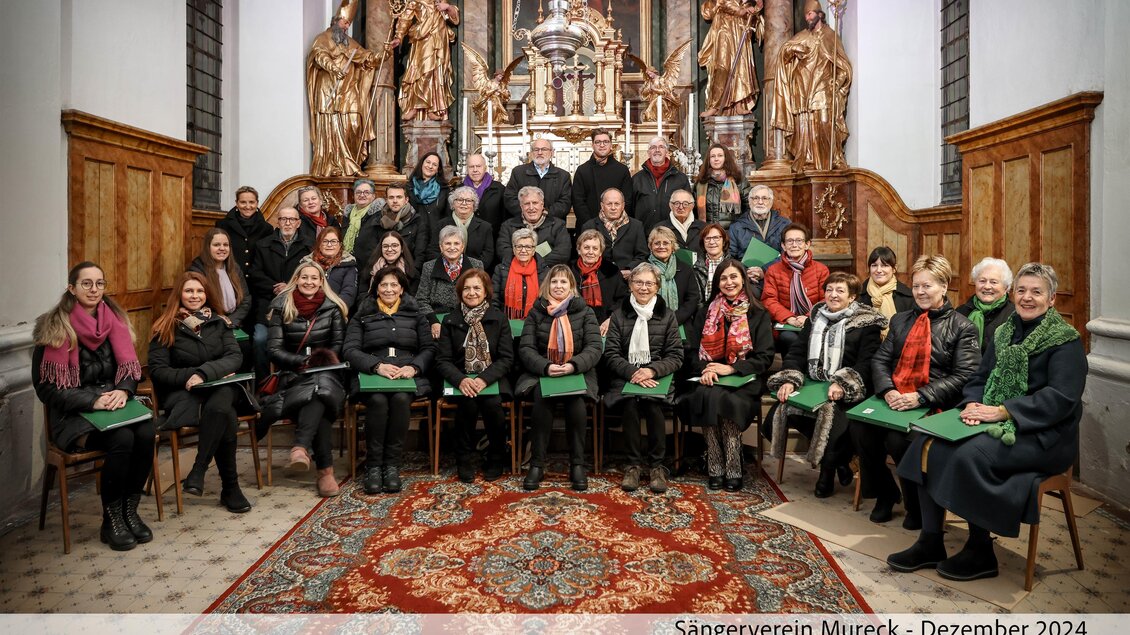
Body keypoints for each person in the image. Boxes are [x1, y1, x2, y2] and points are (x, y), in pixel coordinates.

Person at [887, 263, 1084, 582]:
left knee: (968, 455)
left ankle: (981, 551)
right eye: (1021, 290)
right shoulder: (1006, 332)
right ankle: (930, 541)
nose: (1027, 297)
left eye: (1036, 292)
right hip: (995, 420)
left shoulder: (1065, 342)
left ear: (1052, 300)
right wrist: (972, 405)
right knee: (929, 444)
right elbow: (979, 377)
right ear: (1013, 293)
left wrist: (1003, 411)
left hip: (1044, 436)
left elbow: (1061, 399)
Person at [32, 261, 150, 551]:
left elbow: (131, 370)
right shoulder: (54, 327)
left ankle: (129, 511)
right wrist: (92, 400)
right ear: (71, 288)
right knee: (122, 438)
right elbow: (46, 388)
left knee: (147, 432)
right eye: (86, 283)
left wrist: (124, 391)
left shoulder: (115, 321)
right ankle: (112, 520)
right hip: (74, 417)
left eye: (99, 283)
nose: (94, 289)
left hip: (113, 405)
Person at [863, 255, 980, 527]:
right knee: (860, 429)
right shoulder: (901, 320)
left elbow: (965, 375)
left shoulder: (962, 326)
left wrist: (920, 396)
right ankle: (885, 493)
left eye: (927, 286)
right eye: (916, 286)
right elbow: (880, 360)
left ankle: (916, 506)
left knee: (896, 439)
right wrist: (888, 390)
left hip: (935, 403)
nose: (920, 292)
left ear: (943, 286)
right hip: (896, 397)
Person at [764, 272, 886, 498]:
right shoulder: (815, 317)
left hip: (846, 391)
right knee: (773, 420)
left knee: (833, 428)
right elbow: (798, 352)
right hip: (812, 384)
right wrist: (791, 379)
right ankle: (842, 461)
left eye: (840, 291)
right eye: (829, 290)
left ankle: (827, 472)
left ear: (852, 297)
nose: (833, 295)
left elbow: (868, 362)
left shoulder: (866, 324)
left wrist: (843, 383)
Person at [147, 272, 250, 514]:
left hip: (222, 387)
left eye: (199, 291)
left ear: (207, 295)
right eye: (189, 291)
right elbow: (159, 371)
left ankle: (199, 469)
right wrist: (193, 376)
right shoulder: (165, 326)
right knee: (224, 413)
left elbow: (235, 357)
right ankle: (230, 488)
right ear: (179, 295)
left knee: (222, 399)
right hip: (185, 394)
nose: (195, 296)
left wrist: (206, 374)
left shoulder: (219, 322)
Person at [680, 259, 774, 491]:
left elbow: (764, 357)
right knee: (705, 396)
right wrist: (705, 369)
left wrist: (731, 369)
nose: (729, 282)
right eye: (723, 278)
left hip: (744, 378)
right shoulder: (705, 312)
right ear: (717, 283)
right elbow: (691, 352)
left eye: (733, 277)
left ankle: (733, 465)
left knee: (728, 400)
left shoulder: (758, 313)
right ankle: (715, 464)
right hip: (708, 376)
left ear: (743, 279)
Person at [344, 266, 435, 494]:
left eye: (394, 284)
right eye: (384, 284)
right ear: (376, 289)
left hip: (406, 374)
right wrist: (377, 366)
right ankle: (374, 466)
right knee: (377, 401)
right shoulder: (362, 314)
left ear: (402, 289)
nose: (389, 289)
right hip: (373, 373)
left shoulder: (415, 314)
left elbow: (429, 348)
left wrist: (414, 368)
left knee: (401, 399)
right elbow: (350, 349)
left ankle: (392, 466)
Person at [264, 263, 348, 498]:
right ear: (296, 279)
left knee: (319, 390)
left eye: (314, 278)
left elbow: (338, 345)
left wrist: (321, 362)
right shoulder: (282, 307)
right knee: (317, 399)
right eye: (304, 277)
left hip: (327, 371)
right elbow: (273, 349)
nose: (309, 282)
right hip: (293, 373)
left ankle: (300, 447)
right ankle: (325, 472)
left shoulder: (332, 308)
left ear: (322, 281)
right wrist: (301, 361)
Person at [517, 265, 603, 492]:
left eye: (564, 282)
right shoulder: (536, 312)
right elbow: (526, 349)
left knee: (576, 403)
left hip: (578, 372)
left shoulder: (585, 312)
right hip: (542, 373)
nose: (558, 286)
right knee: (542, 400)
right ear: (547, 286)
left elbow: (594, 348)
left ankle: (577, 464)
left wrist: (573, 365)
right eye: (554, 282)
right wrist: (546, 367)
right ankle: (537, 465)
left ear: (572, 287)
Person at [603, 263, 685, 493]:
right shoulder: (619, 316)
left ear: (658, 287)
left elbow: (676, 356)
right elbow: (611, 354)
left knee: (652, 403)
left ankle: (657, 466)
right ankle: (633, 465)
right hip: (625, 376)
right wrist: (633, 373)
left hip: (658, 377)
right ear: (630, 285)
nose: (644, 287)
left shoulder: (667, 316)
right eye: (638, 282)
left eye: (649, 283)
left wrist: (652, 370)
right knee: (629, 403)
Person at [436, 269, 515, 482]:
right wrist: (462, 380)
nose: (472, 292)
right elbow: (442, 360)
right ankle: (464, 458)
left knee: (491, 404)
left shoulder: (498, 319)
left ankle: (497, 456)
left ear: (486, 291)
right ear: (460, 292)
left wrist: (483, 379)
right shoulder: (450, 320)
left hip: (492, 379)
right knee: (468, 404)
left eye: (477, 288)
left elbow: (507, 358)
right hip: (460, 379)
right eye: (467, 288)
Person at [771, 0, 853, 172]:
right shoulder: (803, 36)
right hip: (804, 89)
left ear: (820, 15)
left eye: (810, 14)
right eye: (806, 15)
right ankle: (809, 160)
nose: (808, 18)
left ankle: (831, 160)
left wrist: (837, 82)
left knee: (824, 124)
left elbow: (843, 65)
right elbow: (784, 54)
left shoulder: (831, 36)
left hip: (824, 89)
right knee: (806, 128)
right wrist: (794, 50)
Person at [306, 3, 379, 177]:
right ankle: (333, 164)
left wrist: (383, 53)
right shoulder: (322, 38)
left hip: (348, 91)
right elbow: (319, 55)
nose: (347, 27)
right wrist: (333, 68)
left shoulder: (350, 43)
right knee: (331, 125)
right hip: (328, 89)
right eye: (345, 23)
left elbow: (366, 58)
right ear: (335, 21)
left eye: (348, 24)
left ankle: (350, 162)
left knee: (354, 123)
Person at [249, 207, 312, 380]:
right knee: (260, 340)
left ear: (298, 223)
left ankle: (293, 382)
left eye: (292, 219)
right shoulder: (263, 245)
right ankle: (264, 384)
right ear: (278, 222)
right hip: (268, 305)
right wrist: (274, 287)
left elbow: (311, 276)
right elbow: (255, 274)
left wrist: (290, 287)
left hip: (298, 306)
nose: (288, 223)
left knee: (298, 341)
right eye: (284, 219)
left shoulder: (309, 246)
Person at [761, 223, 829, 353]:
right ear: (783, 245)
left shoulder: (821, 270)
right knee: (788, 337)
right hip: (786, 322)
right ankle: (793, 370)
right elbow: (769, 300)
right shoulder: (773, 270)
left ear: (807, 244)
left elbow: (825, 300)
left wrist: (808, 317)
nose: (794, 245)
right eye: (789, 241)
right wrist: (789, 318)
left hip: (814, 320)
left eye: (799, 241)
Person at [389, 0, 460, 121]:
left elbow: (454, 18)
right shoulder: (415, 1)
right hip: (423, 37)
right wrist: (399, 37)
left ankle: (432, 108)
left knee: (436, 73)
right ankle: (416, 107)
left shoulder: (440, 0)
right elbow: (405, 18)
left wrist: (447, 7)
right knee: (422, 72)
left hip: (439, 37)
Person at [215, 186, 273, 318]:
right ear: (237, 203)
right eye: (243, 202)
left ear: (257, 203)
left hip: (256, 286)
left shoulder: (266, 229)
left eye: (251, 202)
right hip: (231, 282)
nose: (248, 206)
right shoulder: (223, 225)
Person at [416, 225, 485, 338]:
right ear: (441, 247)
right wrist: (434, 321)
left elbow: (482, 297)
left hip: (468, 319)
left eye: (456, 243)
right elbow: (421, 299)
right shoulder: (428, 267)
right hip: (437, 319)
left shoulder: (477, 266)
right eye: (447, 243)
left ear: (462, 246)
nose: (452, 247)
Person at [698, 0, 763, 118]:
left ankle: (739, 104)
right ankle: (715, 105)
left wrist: (756, 9)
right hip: (724, 31)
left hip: (740, 32)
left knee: (740, 68)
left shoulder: (746, 2)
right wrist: (742, 11)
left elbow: (752, 20)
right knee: (722, 67)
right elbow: (724, 4)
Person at [189, 228, 251, 331]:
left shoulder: (235, 268)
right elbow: (196, 303)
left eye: (226, 245)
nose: (222, 248)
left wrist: (231, 321)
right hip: (208, 325)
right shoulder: (197, 269)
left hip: (233, 323)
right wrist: (220, 321)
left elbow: (246, 300)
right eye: (217, 245)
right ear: (207, 247)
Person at [728, 184, 791, 286]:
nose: (760, 202)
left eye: (765, 198)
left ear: (771, 202)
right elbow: (730, 256)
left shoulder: (784, 224)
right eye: (756, 198)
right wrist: (746, 272)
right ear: (749, 201)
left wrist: (764, 270)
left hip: (778, 277)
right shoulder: (736, 227)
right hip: (747, 279)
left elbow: (788, 254)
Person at [572, 129, 634, 229]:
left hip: (617, 227)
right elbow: (578, 202)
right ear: (592, 145)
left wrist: (616, 224)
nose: (602, 145)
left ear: (611, 145)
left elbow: (627, 200)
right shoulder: (582, 170)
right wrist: (590, 225)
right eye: (598, 142)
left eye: (606, 142)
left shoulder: (622, 170)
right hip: (589, 227)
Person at [578, 188, 648, 276]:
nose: (613, 208)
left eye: (617, 204)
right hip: (598, 276)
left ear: (623, 206)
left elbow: (642, 255)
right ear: (602, 206)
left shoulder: (636, 226)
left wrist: (630, 270)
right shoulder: (589, 226)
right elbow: (584, 254)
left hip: (628, 277)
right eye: (609, 204)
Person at [495, 186, 572, 267]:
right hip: (516, 271)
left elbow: (563, 253)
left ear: (542, 205)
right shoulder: (508, 226)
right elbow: (503, 251)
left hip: (547, 273)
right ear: (521, 206)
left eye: (535, 203)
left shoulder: (558, 225)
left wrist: (534, 263)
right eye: (527, 204)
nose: (531, 208)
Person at [572, 229, 629, 334]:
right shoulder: (569, 271)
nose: (590, 252)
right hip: (575, 327)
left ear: (600, 252)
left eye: (595, 248)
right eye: (586, 247)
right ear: (579, 250)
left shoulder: (612, 271)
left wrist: (612, 318)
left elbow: (623, 298)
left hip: (607, 326)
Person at [371, 182, 429, 282]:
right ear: (386, 200)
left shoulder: (418, 221)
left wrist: (411, 274)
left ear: (406, 200)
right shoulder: (378, 221)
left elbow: (420, 254)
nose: (395, 201)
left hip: (408, 275)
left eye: (399, 197)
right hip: (380, 273)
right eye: (391, 197)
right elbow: (372, 251)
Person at [631, 136, 692, 231]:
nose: (657, 150)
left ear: (667, 152)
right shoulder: (637, 179)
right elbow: (630, 209)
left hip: (673, 233)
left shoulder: (680, 179)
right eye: (653, 147)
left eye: (661, 147)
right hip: (643, 234)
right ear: (648, 153)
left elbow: (689, 207)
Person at [503, 138, 573, 220]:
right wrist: (529, 214)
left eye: (544, 149)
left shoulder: (563, 176)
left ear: (552, 152)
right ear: (531, 153)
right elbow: (510, 198)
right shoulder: (518, 172)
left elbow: (565, 202)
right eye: (536, 149)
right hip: (523, 225)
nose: (540, 153)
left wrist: (544, 215)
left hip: (553, 226)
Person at [956, 257, 1016, 350]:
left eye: (994, 282)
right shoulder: (960, 313)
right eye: (982, 281)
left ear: (1006, 288)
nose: (987, 286)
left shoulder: (1014, 315)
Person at [429, 185, 496, 268]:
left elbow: (488, 254)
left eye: (468, 200)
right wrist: (449, 268)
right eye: (460, 200)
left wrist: (470, 270)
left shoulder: (485, 227)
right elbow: (433, 251)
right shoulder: (441, 225)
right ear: (453, 203)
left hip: (474, 273)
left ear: (474, 205)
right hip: (446, 271)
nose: (464, 203)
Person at [648, 226, 701, 327]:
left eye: (666, 243)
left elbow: (693, 298)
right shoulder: (643, 270)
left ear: (673, 247)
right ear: (650, 246)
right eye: (657, 243)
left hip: (681, 323)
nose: (661, 246)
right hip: (650, 323)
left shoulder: (685, 269)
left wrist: (675, 319)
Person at [857, 246, 914, 339]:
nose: (879, 270)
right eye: (874, 265)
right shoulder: (858, 295)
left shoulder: (908, 297)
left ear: (894, 268)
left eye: (884, 265)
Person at [493, 228, 547, 320]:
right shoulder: (501, 269)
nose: (523, 250)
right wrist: (501, 321)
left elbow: (547, 301)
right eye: (519, 246)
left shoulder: (545, 271)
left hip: (536, 322)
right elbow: (494, 299)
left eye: (528, 247)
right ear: (513, 249)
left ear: (534, 250)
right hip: (506, 322)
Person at [299, 226, 359, 309]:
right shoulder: (306, 263)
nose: (329, 245)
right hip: (307, 309)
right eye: (325, 241)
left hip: (336, 311)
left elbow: (349, 294)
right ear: (319, 244)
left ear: (340, 245)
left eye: (333, 241)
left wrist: (331, 311)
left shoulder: (349, 265)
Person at [695, 143, 749, 227]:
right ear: (709, 160)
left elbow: (749, 208)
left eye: (720, 155)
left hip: (732, 234)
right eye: (713, 156)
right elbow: (693, 210)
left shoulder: (738, 181)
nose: (716, 159)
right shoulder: (701, 182)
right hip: (707, 233)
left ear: (725, 159)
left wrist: (740, 229)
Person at [361, 231, 418, 301]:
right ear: (381, 249)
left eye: (394, 245)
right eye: (385, 246)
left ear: (402, 249)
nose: (390, 249)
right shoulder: (370, 269)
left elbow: (413, 298)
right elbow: (362, 295)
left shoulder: (411, 272)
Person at [341, 179, 381, 266]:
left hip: (369, 265)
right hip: (348, 264)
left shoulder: (379, 215)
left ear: (373, 196)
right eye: (358, 192)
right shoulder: (347, 215)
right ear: (354, 196)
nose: (362, 195)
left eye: (366, 192)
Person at [463, 153, 505, 228]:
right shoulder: (458, 190)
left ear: (485, 168)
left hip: (493, 237)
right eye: (471, 167)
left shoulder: (499, 189)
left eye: (478, 166)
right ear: (467, 169)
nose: (475, 170)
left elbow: (505, 219)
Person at [693, 223, 730, 305]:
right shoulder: (696, 268)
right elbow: (696, 300)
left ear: (723, 241)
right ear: (703, 243)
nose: (712, 242)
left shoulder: (734, 265)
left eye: (716, 238)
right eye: (707, 238)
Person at [408, 152, 450, 221]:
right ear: (422, 164)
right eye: (428, 162)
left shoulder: (444, 189)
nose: (430, 166)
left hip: (436, 230)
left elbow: (447, 216)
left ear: (438, 169)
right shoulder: (409, 187)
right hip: (414, 230)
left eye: (434, 165)